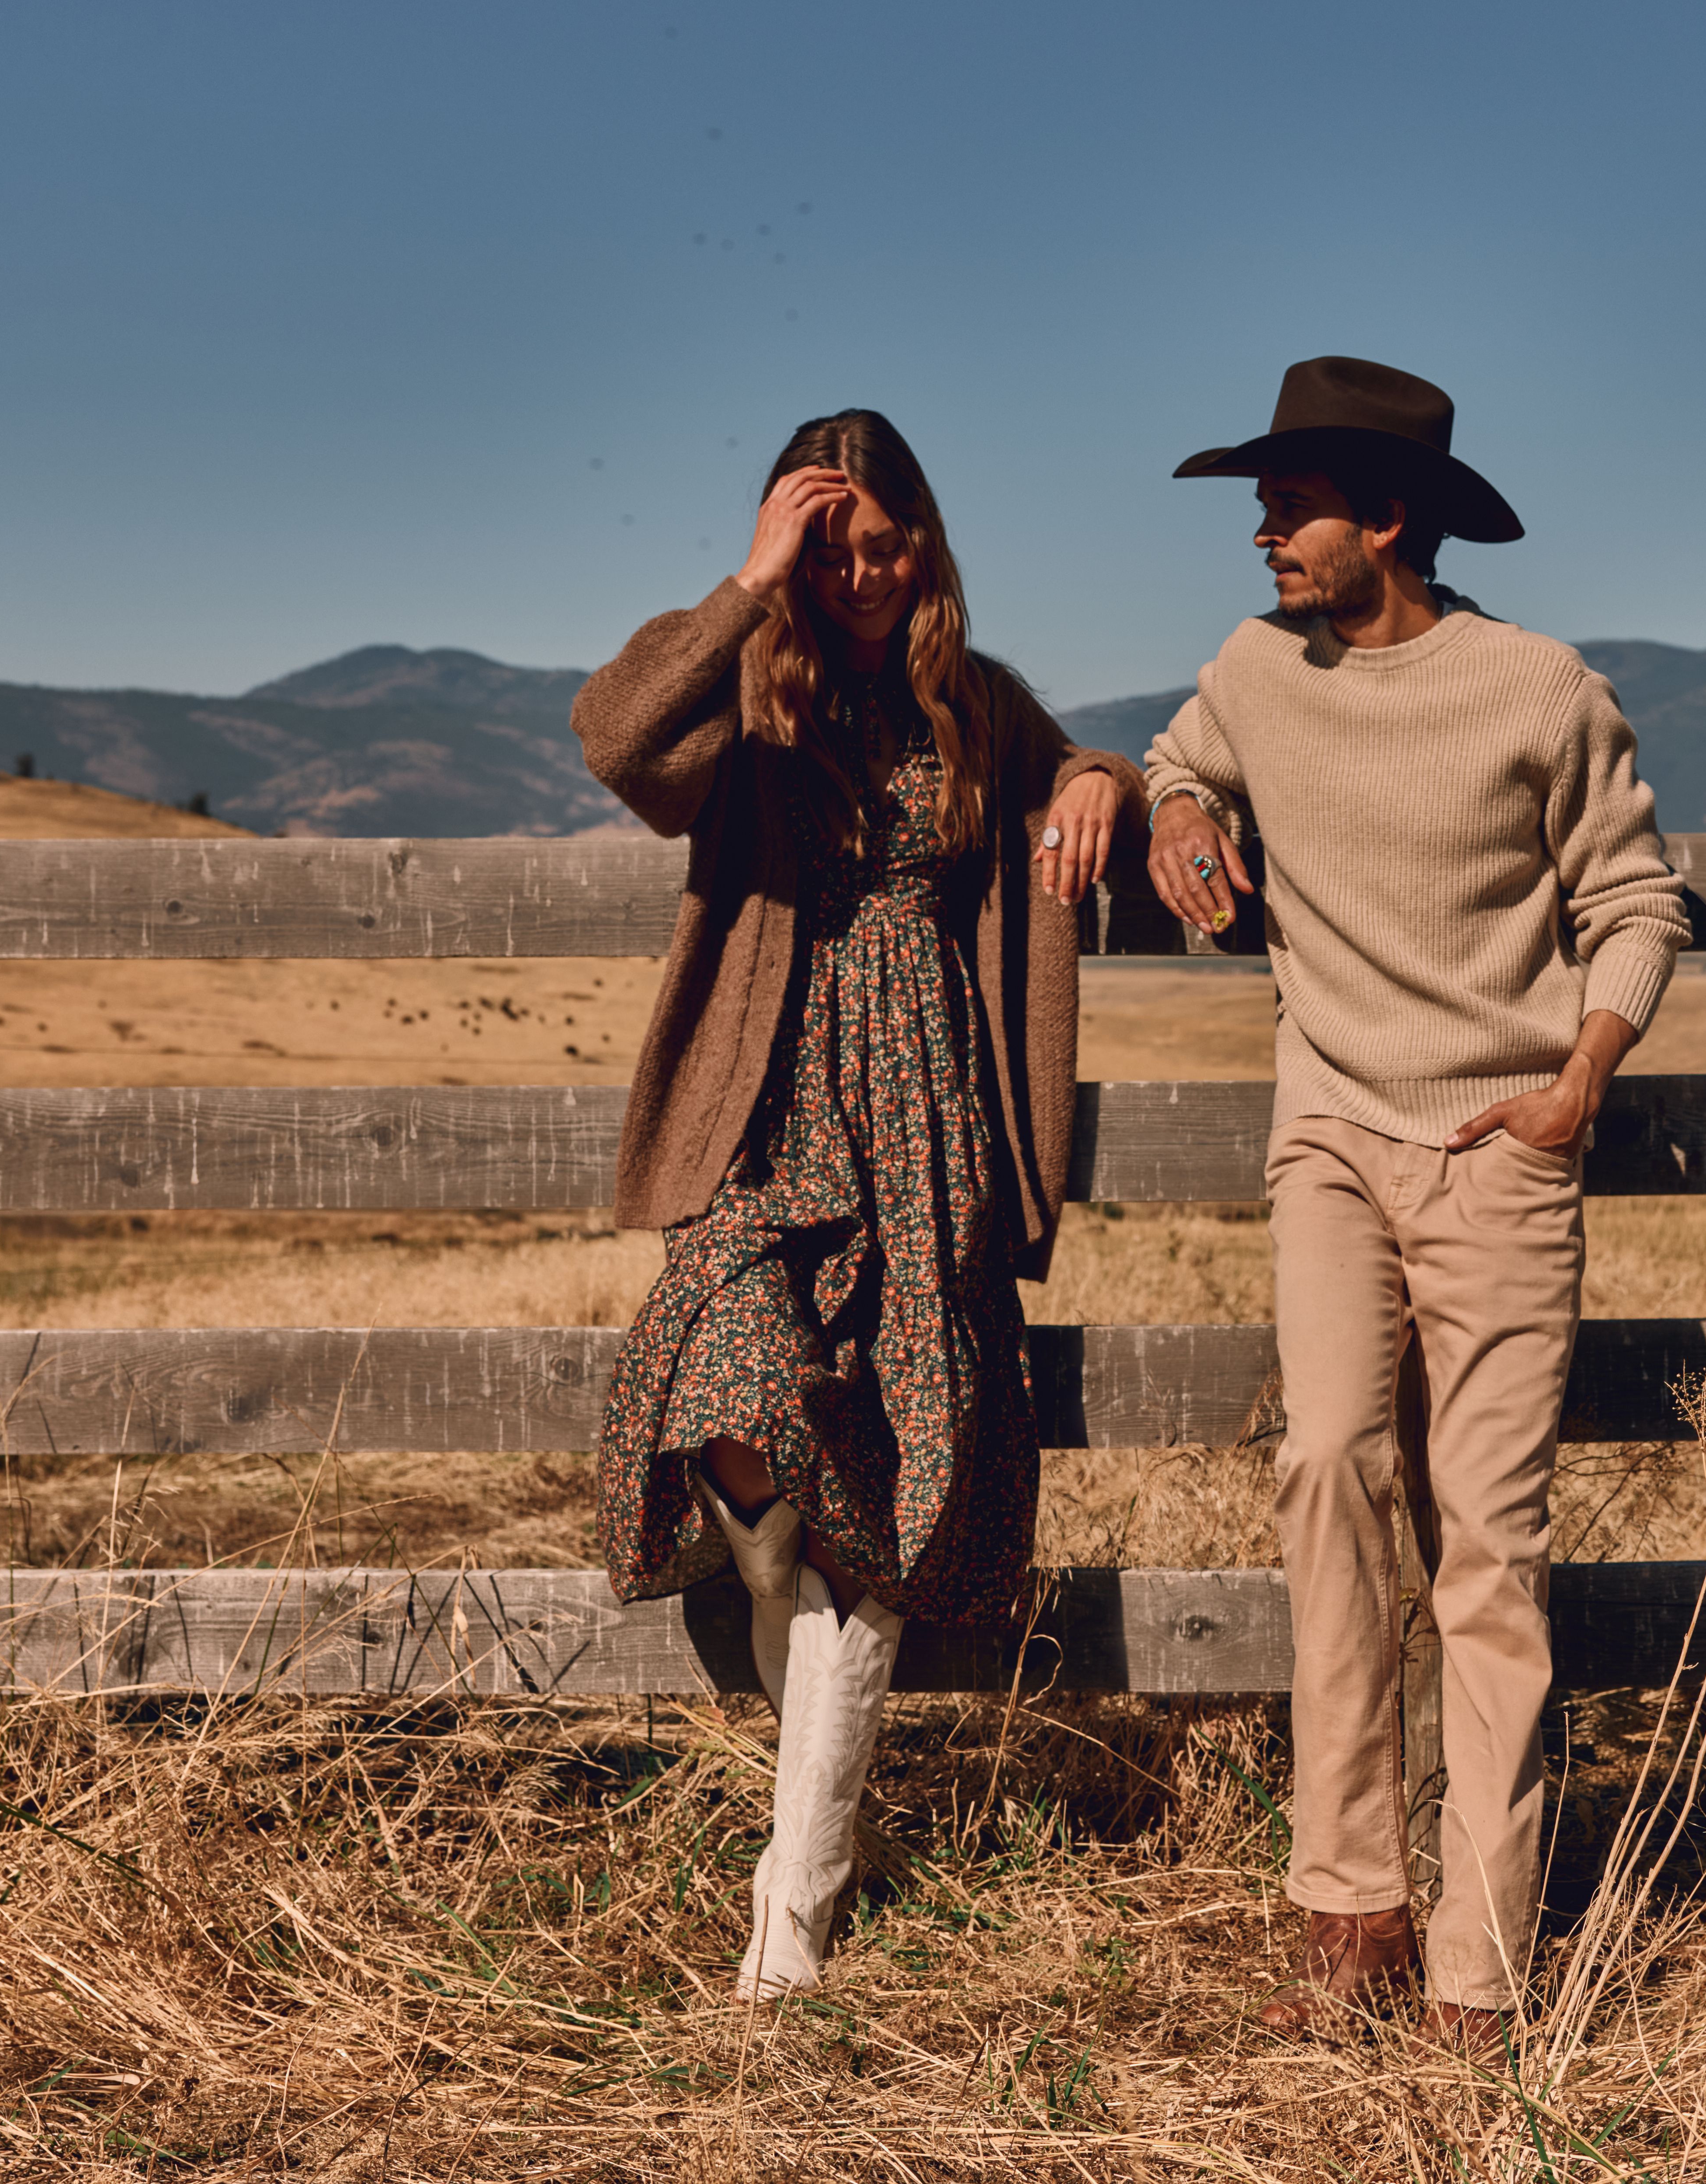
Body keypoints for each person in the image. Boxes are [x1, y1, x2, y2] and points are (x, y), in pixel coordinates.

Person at [1141, 357, 1692, 2053]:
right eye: (1261, 504)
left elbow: (1636, 902)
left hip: (1497, 1147)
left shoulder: (1539, 690)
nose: (1262, 532)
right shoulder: (1255, 666)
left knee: (1489, 1550)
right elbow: (1178, 754)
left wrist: (1575, 1083)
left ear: (1384, 519)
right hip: (1328, 1132)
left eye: (1288, 505)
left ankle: (1483, 1960)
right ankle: (1352, 1901)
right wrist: (1174, 808)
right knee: (1324, 1464)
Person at [573, 409, 1143, 2000]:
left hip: (926, 1137)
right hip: (765, 1122)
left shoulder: (972, 699)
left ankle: (797, 1918)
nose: (863, 574)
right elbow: (619, 743)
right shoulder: (746, 686)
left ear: (927, 541)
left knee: (876, 1512)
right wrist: (751, 583)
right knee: (740, 1418)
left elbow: (1080, 765)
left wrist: (1100, 780)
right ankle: (826, 1810)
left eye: (887, 545)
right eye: (832, 552)